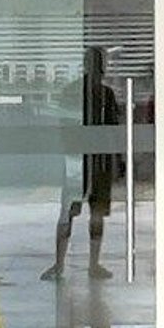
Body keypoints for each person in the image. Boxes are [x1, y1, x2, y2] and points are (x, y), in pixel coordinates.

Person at [43, 44, 121, 283]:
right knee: (78, 211)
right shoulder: (91, 93)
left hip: (88, 160)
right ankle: (76, 264)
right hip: (85, 160)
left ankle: (67, 264)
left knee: (80, 212)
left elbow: (110, 131)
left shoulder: (88, 92)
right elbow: (110, 131)